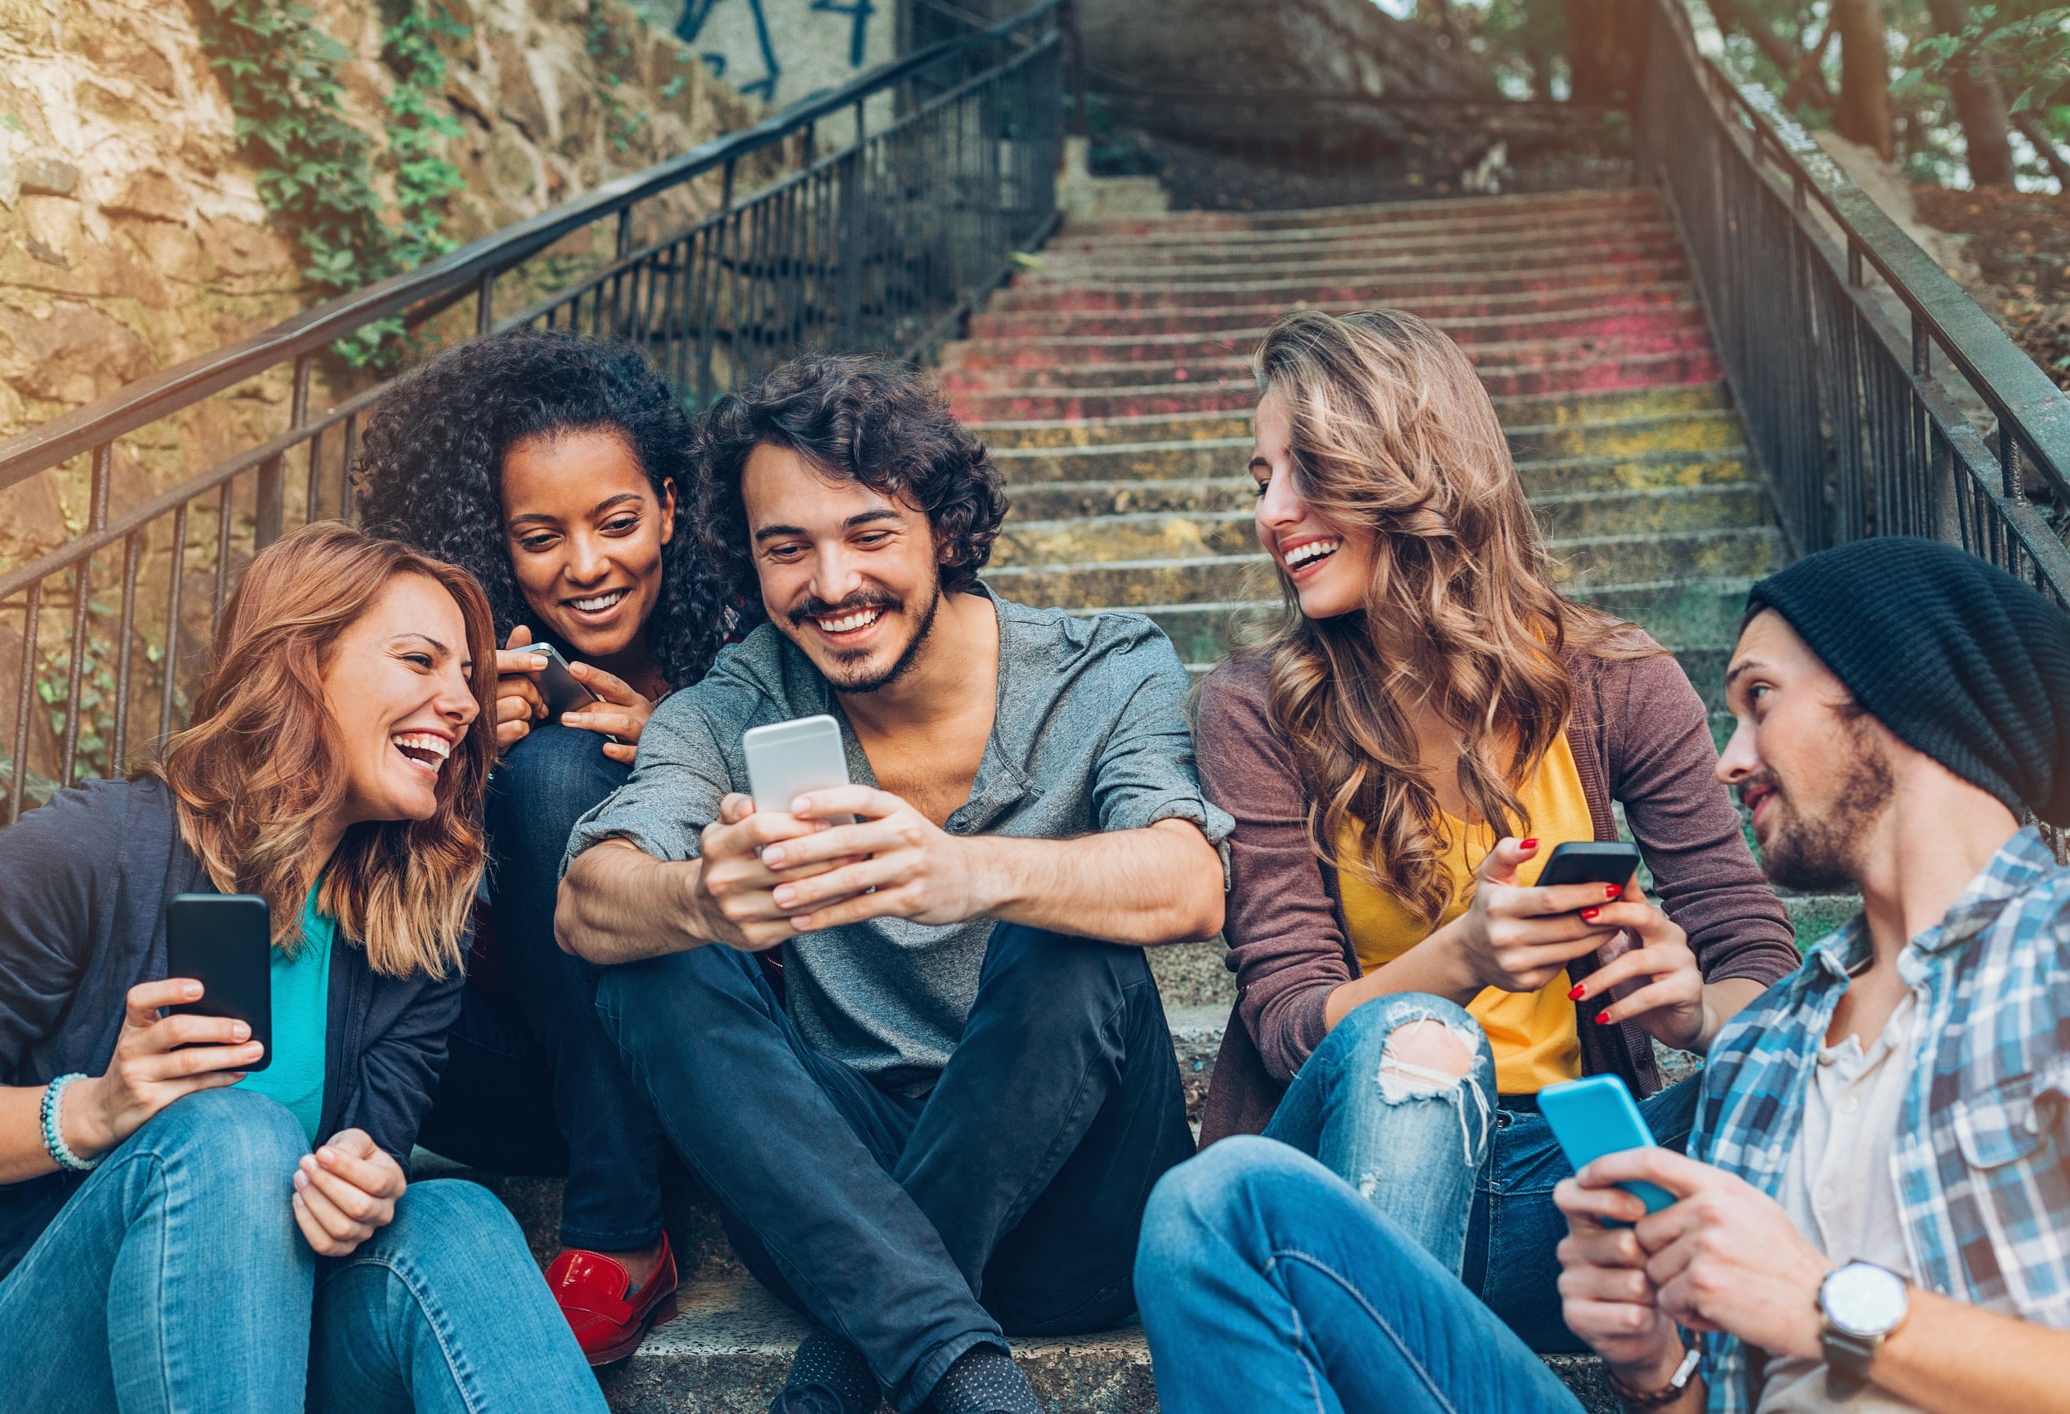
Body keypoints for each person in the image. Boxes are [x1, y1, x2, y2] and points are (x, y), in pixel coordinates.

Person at [1135, 534, 2070, 1414]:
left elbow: (1810, 1311)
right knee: (1216, 1201)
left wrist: (1830, 1306)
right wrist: (1652, 1366)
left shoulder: (2050, 966)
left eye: (1758, 700)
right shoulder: (1770, 1052)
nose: (1727, 758)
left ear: (1902, 693)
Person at [553, 354, 1233, 1414]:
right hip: (836, 1195)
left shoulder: (1105, 666)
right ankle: (963, 1372)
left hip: (1077, 1212)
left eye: (869, 534)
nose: (832, 585)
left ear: (947, 533)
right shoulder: (731, 704)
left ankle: (842, 1375)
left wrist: (970, 871)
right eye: (789, 550)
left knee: (1065, 922)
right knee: (652, 963)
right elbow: (587, 896)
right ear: (751, 566)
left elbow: (1191, 881)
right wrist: (699, 898)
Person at [1192, 308, 1798, 1348]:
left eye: (1309, 471)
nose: (1273, 512)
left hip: (1562, 1183)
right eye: (1262, 481)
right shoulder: (1256, 707)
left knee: (1801, 1071)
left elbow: (1758, 962)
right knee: (1424, 1040)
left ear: (1412, 467)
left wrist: (1694, 1010)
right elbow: (1289, 1022)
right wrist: (1460, 956)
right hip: (1348, 1174)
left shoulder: (1618, 684)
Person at [0, 523, 605, 1411]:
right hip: (11, 1350)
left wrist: (362, 1186)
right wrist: (92, 1111)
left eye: (467, 676)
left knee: (455, 1216)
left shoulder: (409, 928)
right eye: (420, 660)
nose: (460, 701)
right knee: (234, 1136)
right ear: (301, 663)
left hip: (248, 1351)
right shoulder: (92, 850)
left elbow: (369, 1148)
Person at [354, 329, 739, 1361]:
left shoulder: (751, 647)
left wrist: (680, 747)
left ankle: (618, 1234)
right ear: (498, 542)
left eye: (616, 522)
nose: (585, 566)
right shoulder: (456, 677)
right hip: (533, 1075)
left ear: (668, 503)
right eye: (540, 536)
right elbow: (418, 950)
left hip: (717, 1054)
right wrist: (453, 773)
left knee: (564, 772)